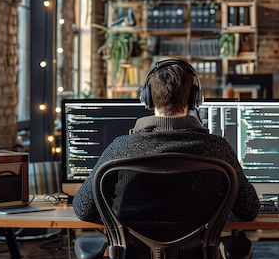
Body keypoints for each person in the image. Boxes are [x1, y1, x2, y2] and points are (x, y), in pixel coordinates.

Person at [73, 58, 260, 223]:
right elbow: (249, 210)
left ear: (147, 98)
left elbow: (83, 209)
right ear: (194, 99)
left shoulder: (121, 148)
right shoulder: (217, 148)